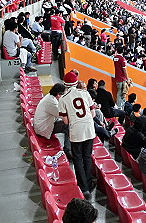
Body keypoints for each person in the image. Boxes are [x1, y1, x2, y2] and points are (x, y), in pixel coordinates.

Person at [58, 71, 96, 200]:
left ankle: (84, 188)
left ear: (65, 84)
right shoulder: (85, 93)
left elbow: (66, 121)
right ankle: (89, 183)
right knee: (87, 156)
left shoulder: (63, 98)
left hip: (76, 130)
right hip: (89, 128)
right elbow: (93, 114)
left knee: (78, 158)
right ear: (76, 82)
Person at [33, 83, 70, 157]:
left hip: (43, 125)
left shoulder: (50, 97)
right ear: (59, 95)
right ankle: (68, 151)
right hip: (43, 128)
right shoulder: (51, 103)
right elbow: (63, 116)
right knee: (68, 125)